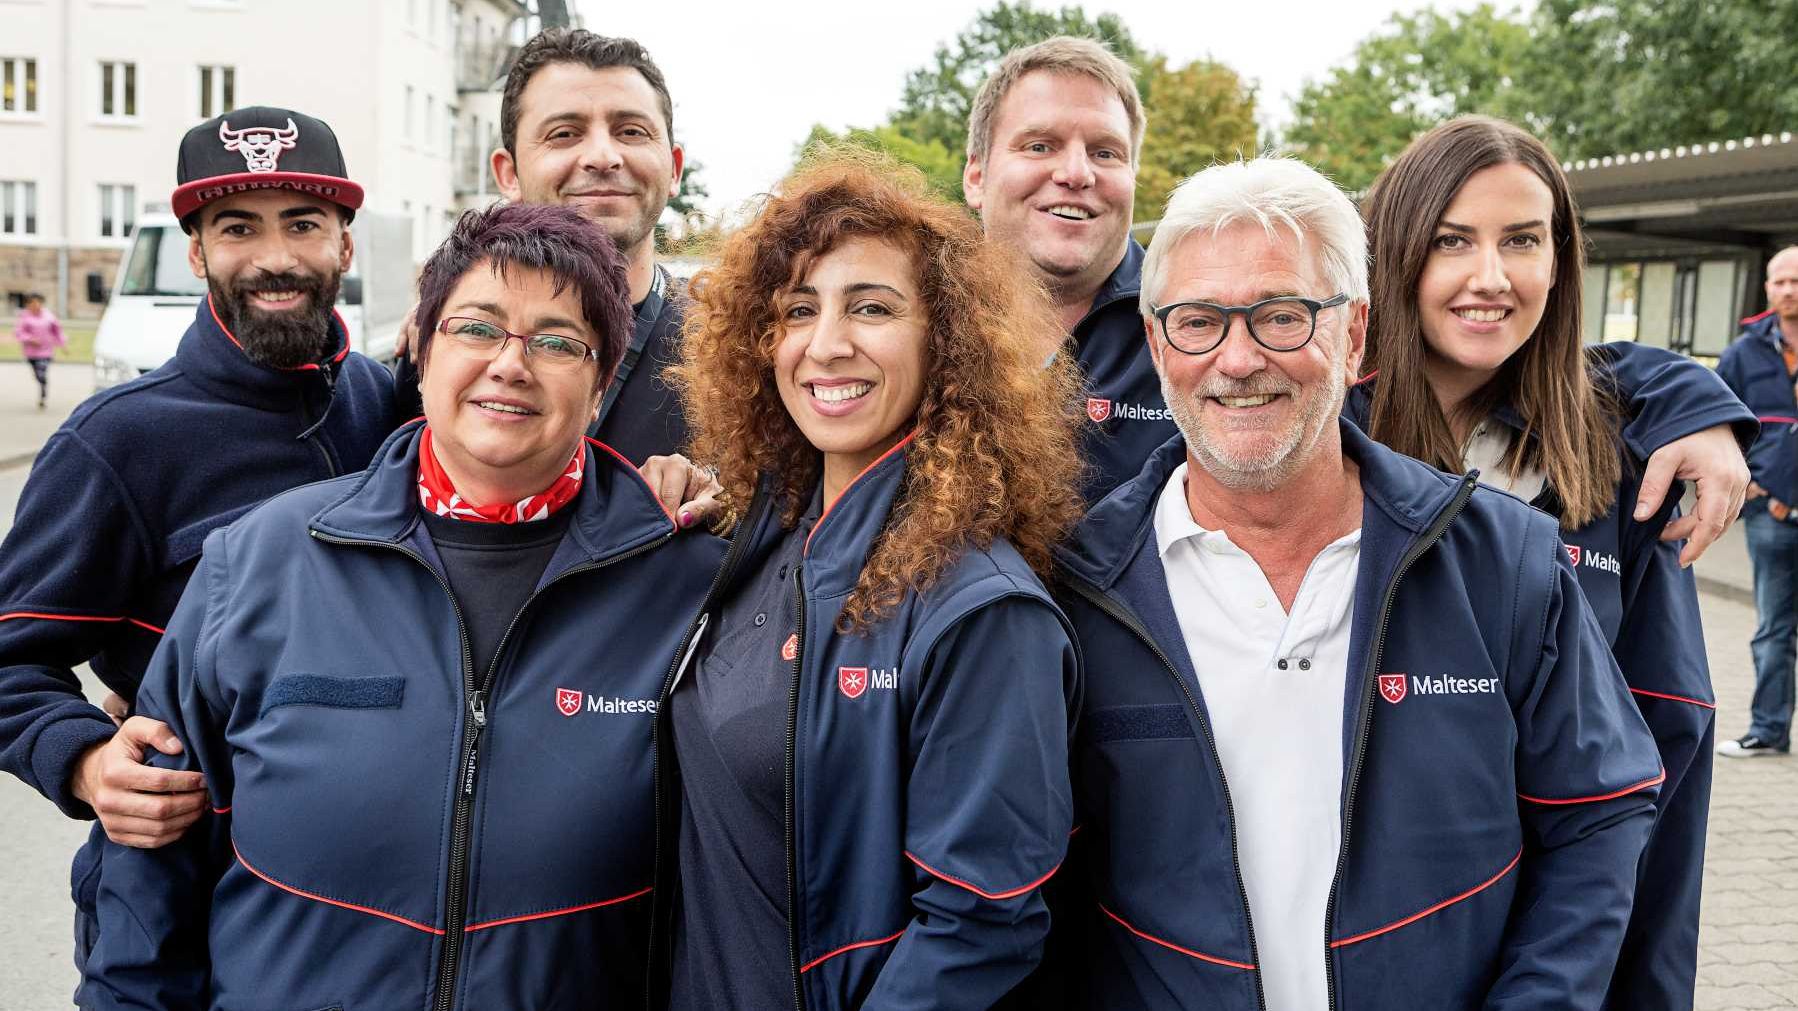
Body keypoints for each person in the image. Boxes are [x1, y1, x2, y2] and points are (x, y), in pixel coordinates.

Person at [81, 201, 727, 1009]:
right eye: (477, 328)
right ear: (420, 351)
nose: (510, 363)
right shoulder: (258, 561)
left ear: (600, 386)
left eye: (559, 341)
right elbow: (150, 871)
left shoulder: (693, 591)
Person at [1053, 158, 1661, 1010]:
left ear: (1353, 335)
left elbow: (1599, 812)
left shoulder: (1505, 563)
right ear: (1157, 344)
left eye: (1282, 315)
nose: (1237, 358)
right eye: (1197, 321)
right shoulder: (1078, 590)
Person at [961, 36, 1749, 559]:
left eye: (1105, 150)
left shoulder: (1230, 333)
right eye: (1039, 145)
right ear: (975, 173)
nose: (1075, 171)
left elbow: (1561, 363)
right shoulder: (914, 330)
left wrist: (1694, 398)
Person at [649, 153, 1082, 1010]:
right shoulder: (764, 540)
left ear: (948, 341)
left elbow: (981, 925)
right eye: (797, 310)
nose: (827, 343)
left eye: (872, 308)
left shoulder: (980, 609)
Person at [1352, 114, 1748, 1011]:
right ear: (1393, 252)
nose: (1489, 277)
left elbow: (1667, 761)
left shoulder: (1618, 469)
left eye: (1522, 240)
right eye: (1452, 240)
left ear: (1562, 261)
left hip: (1564, 959)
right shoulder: (1324, 448)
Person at [0, 106, 398, 973]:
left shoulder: (397, 409)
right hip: (182, 907)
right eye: (237, 228)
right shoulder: (115, 442)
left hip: (378, 899)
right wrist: (87, 759)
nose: (275, 257)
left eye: (303, 223)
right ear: (197, 254)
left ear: (345, 245)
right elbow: (9, 658)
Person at [396, 28, 691, 471]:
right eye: (564, 134)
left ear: (674, 168)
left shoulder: (736, 351)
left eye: (630, 131)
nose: (603, 156)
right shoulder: (435, 351)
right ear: (508, 173)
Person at [1716, 244, 1798, 759]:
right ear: (1768, 287)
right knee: (1773, 630)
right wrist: (1749, 486)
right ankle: (1768, 731)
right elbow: (1717, 423)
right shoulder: (1744, 353)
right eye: (1781, 281)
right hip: (1773, 518)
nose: (1790, 290)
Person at [12, 293, 65, 408]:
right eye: (32, 303)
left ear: (41, 303)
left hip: (46, 351)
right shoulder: (24, 316)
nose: (35, 305)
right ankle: (41, 383)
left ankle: (43, 394)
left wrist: (62, 344)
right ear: (28, 304)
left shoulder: (48, 316)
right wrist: (30, 339)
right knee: (37, 374)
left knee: (42, 372)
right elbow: (18, 332)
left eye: (37, 302)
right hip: (31, 352)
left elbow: (57, 330)